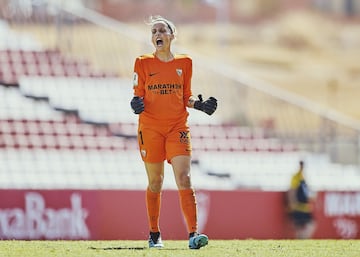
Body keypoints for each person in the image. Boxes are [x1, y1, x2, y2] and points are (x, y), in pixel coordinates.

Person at [130, 15, 217, 249]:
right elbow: (138, 94)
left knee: (184, 178)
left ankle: (193, 235)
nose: (157, 34)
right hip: (150, 128)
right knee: (156, 181)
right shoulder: (142, 62)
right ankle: (154, 234)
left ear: (172, 35)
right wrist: (135, 103)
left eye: (162, 30)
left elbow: (186, 94)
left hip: (178, 126)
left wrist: (199, 105)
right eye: (154, 31)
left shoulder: (185, 62)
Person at [287, 160, 316, 239]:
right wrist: (292, 202)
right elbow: (292, 190)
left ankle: (302, 240)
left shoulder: (303, 176)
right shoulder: (296, 177)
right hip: (298, 206)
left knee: (308, 226)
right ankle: (301, 242)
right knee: (301, 227)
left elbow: (306, 191)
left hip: (304, 207)